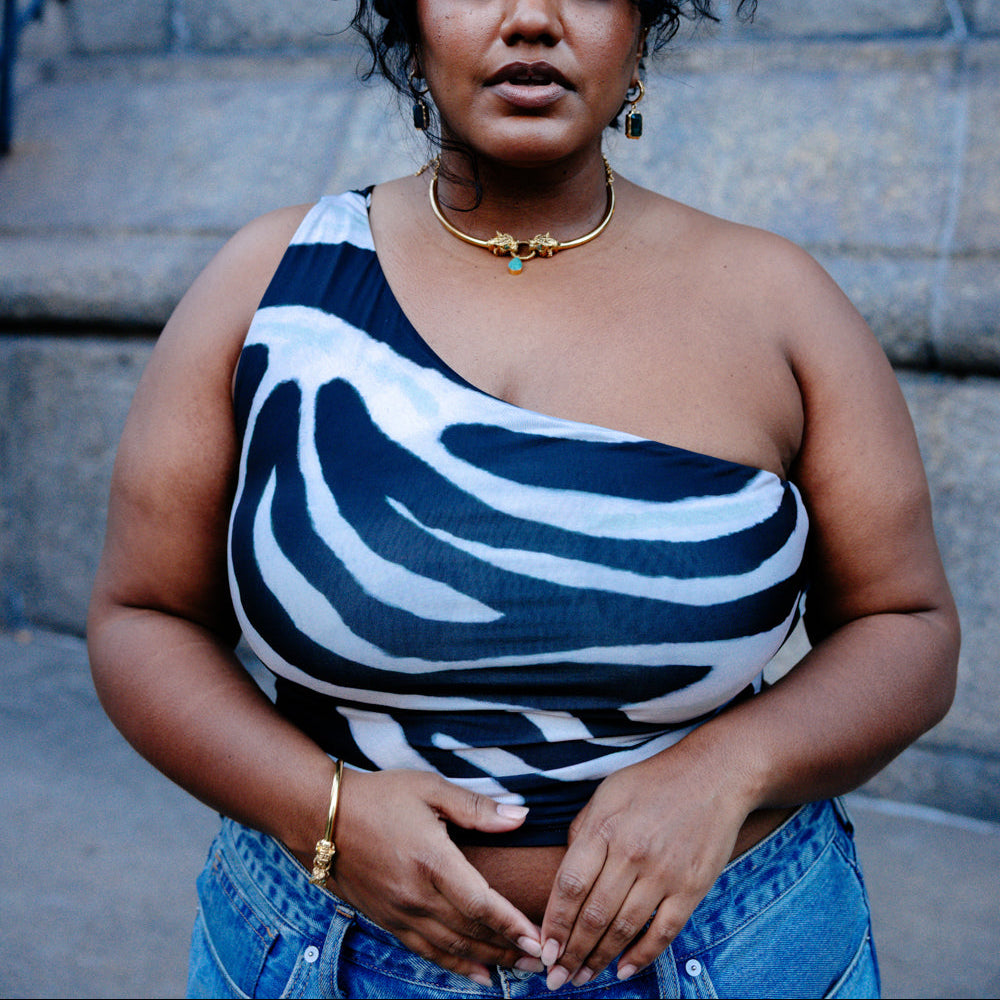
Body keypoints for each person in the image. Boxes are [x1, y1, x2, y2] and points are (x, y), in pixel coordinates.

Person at [87, 1, 960, 997]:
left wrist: (730, 768)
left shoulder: (779, 299)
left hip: (738, 948)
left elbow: (906, 624)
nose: (532, 18)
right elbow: (143, 615)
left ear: (639, 31)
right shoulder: (272, 285)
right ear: (413, 26)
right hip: (322, 954)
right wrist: (322, 812)